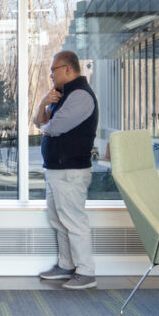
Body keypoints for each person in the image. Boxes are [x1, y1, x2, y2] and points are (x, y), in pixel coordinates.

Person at [36, 50, 99, 290]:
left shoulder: (81, 95)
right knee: (58, 219)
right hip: (56, 169)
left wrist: (47, 125)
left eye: (54, 69)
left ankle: (86, 271)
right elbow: (38, 120)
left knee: (73, 220)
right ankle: (66, 265)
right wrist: (44, 102)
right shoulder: (62, 95)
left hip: (70, 170)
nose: (51, 74)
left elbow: (54, 127)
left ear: (68, 69)